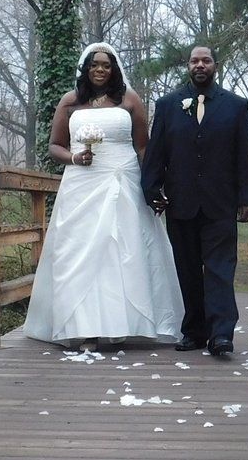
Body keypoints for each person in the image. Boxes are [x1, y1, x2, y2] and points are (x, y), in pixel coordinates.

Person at [23, 43, 183, 347]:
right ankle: (84, 327)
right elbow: (55, 145)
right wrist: (73, 158)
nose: (100, 70)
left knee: (124, 251)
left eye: (106, 65)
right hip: (82, 182)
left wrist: (153, 184)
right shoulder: (70, 102)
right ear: (86, 69)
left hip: (123, 180)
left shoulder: (129, 100)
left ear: (114, 69)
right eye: (94, 65)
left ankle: (121, 322)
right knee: (80, 252)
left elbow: (143, 146)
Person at [141, 45, 248, 357]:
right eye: (195, 61)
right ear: (188, 66)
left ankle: (221, 335)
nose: (200, 65)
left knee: (220, 268)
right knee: (188, 270)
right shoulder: (167, 106)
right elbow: (156, 154)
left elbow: (245, 155)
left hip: (221, 202)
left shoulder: (235, 106)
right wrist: (151, 190)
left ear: (215, 65)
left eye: (206, 60)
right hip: (181, 201)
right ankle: (194, 330)